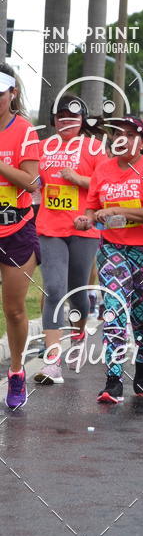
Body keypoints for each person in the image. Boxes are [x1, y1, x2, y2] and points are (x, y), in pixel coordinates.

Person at [75, 115, 143, 404]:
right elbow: (93, 209)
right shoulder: (103, 170)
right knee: (114, 309)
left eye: (131, 134)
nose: (123, 139)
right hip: (112, 249)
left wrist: (120, 210)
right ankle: (113, 378)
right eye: (118, 133)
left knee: (141, 316)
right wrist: (86, 219)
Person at [34, 95, 105, 385]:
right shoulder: (42, 148)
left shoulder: (94, 148)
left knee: (77, 291)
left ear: (82, 121)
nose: (66, 121)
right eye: (61, 116)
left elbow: (105, 184)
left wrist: (77, 179)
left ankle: (77, 338)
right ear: (53, 121)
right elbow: (33, 182)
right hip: (49, 227)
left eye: (73, 116)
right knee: (53, 289)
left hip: (83, 227)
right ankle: (52, 361)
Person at [0, 65, 40, 409]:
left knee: (13, 310)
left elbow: (31, 182)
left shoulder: (25, 131)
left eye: (1, 92)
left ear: (12, 94)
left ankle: (16, 371)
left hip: (15, 228)